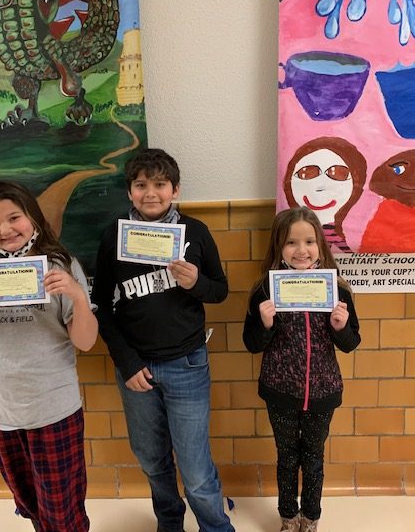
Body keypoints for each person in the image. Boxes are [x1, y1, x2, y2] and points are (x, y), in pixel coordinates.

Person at [92, 148, 235, 532]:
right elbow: (100, 306)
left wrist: (197, 283)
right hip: (136, 368)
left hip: (187, 363)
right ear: (129, 192)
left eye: (160, 184)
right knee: (152, 459)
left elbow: (220, 291)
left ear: (175, 190)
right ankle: (170, 523)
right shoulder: (114, 236)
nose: (150, 193)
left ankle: (216, 527)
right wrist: (127, 362)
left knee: (195, 467)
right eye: (141, 185)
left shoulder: (195, 232)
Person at [0, 181, 98, 532]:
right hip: (0, 411)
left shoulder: (61, 266)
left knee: (63, 512)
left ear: (32, 217)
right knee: (30, 504)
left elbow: (86, 342)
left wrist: (78, 297)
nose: (5, 229)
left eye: (14, 218)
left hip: (53, 409)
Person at [243, 207, 360, 532]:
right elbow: (251, 343)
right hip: (280, 392)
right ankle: (287, 517)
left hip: (323, 393)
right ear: (278, 246)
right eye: (291, 242)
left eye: (309, 241)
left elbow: (351, 343)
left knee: (313, 458)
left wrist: (340, 327)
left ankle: (310, 518)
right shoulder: (265, 290)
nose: (301, 250)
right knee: (286, 457)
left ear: (321, 245)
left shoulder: (338, 289)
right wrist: (265, 324)